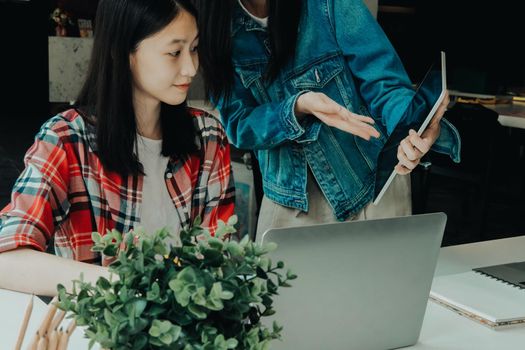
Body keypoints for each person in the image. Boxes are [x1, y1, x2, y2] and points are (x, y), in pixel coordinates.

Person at [0, 0, 235, 296]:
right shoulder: (66, 138)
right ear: (124, 53)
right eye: (174, 52)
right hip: (98, 333)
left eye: (195, 48)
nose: (191, 67)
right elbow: (6, 258)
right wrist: (125, 285)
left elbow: (219, 255)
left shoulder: (208, 136)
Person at [195, 0, 460, 236]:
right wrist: (297, 107)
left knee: (385, 288)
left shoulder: (327, 5)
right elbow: (241, 125)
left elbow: (383, 84)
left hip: (369, 184)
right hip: (292, 200)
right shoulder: (216, 28)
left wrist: (415, 124)